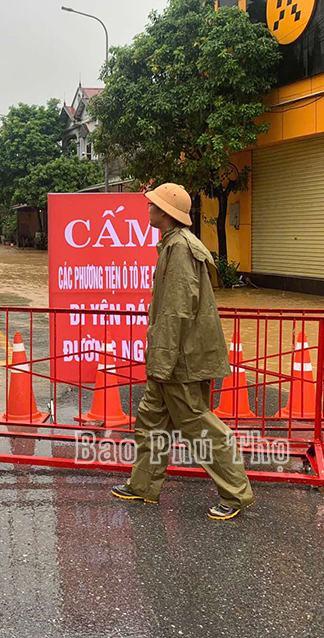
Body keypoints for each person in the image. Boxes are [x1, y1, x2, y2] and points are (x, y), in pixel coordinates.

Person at [111, 183, 255, 521]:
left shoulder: (180, 249)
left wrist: (160, 363)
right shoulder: (172, 245)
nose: (147, 209)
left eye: (152, 205)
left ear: (164, 212)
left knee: (198, 424)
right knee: (150, 420)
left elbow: (177, 311)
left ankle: (236, 494)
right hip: (175, 356)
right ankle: (143, 486)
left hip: (181, 359)